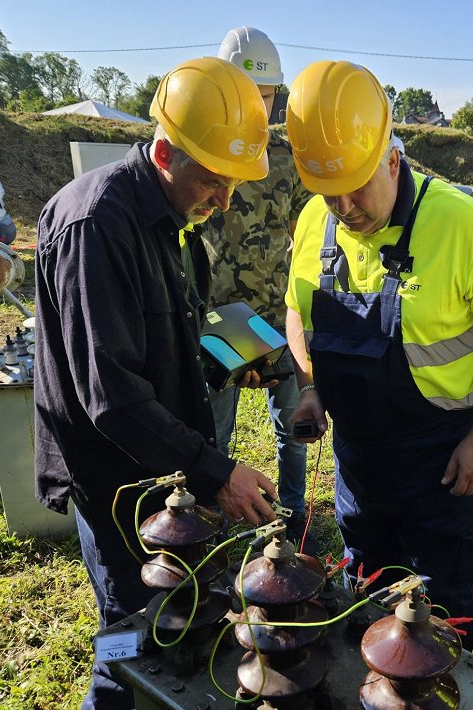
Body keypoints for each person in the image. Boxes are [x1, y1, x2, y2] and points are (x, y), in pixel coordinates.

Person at [33, 57, 278, 710]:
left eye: (234, 183)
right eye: (213, 180)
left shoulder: (166, 213)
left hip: (158, 468)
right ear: (165, 152)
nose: (224, 200)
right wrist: (216, 471)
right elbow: (110, 393)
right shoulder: (95, 222)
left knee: (171, 613)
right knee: (132, 630)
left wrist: (230, 356)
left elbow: (164, 339)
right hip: (113, 476)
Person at [283, 61, 473, 650]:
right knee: (366, 595)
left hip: (441, 458)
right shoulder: (315, 220)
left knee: (439, 617)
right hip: (357, 455)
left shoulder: (460, 224)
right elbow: (299, 309)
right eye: (329, 194)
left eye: (358, 187)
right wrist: (311, 386)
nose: (345, 207)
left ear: (393, 159)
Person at [203, 27, 313, 542]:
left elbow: (304, 235)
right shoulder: (200, 151)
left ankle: (289, 516)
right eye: (248, 95)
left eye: (267, 96)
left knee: (293, 429)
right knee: (213, 435)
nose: (259, 107)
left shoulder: (286, 159)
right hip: (218, 321)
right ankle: (210, 517)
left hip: (274, 314)